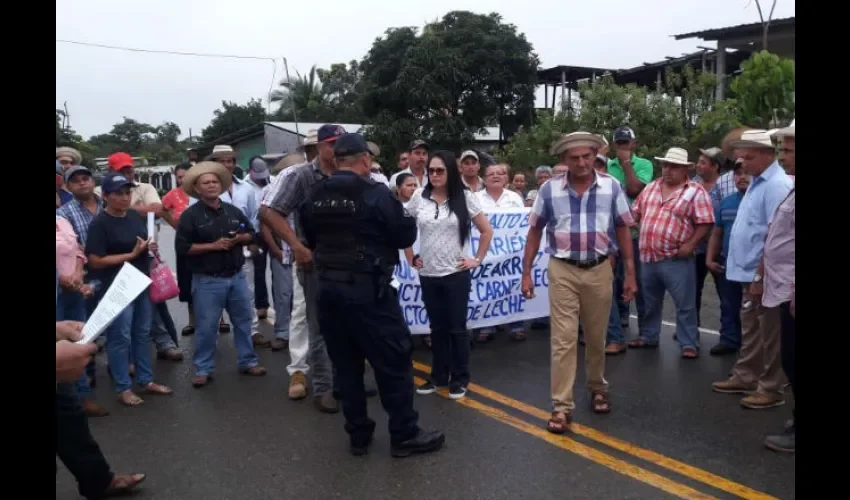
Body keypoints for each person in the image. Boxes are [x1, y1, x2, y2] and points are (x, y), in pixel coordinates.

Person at [300, 132, 445, 457]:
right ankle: (404, 434)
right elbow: (403, 233)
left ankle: (359, 436)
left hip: (328, 292)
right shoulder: (375, 192)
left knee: (347, 366)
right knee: (392, 362)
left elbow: (309, 235)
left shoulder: (315, 194)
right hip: (367, 292)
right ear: (365, 160)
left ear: (337, 161)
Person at [521, 132, 636, 434]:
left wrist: (631, 273)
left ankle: (597, 387)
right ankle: (561, 407)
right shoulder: (548, 190)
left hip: (600, 269)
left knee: (597, 337)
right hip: (563, 269)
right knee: (563, 339)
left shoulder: (612, 187)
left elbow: (623, 228)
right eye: (575, 158)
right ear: (564, 161)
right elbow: (535, 230)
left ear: (595, 155)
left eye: (587, 156)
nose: (582, 163)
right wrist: (526, 272)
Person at [406, 151, 493, 400]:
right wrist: (410, 256)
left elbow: (486, 231)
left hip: (456, 273)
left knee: (457, 328)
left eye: (440, 170)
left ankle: (460, 378)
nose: (434, 175)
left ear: (450, 172)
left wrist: (476, 259)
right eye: (431, 171)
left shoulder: (465, 198)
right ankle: (438, 376)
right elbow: (403, 228)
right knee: (437, 328)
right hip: (428, 273)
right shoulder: (418, 198)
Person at [175, 161, 268, 387]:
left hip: (236, 276)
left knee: (243, 322)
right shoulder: (190, 216)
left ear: (221, 186)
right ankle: (203, 368)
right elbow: (183, 248)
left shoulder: (233, 211)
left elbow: (252, 235)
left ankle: (248, 361)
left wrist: (239, 239)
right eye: (205, 183)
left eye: (215, 182)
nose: (211, 186)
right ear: (197, 188)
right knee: (206, 328)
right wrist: (213, 246)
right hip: (207, 281)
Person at [85, 172, 172, 406]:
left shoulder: (134, 216)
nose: (124, 198)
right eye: (118, 194)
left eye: (127, 193)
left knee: (142, 333)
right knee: (120, 336)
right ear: (105, 196)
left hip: (140, 280)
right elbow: (94, 261)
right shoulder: (100, 223)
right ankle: (123, 387)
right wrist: (130, 255)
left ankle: (145, 380)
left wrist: (148, 246)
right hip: (116, 285)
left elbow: (141, 242)